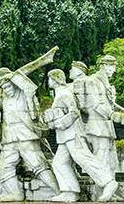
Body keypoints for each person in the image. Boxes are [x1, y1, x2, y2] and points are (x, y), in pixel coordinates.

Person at [44, 69, 117, 202]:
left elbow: (75, 112)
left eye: (50, 78)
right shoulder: (59, 93)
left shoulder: (65, 93)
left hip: (73, 134)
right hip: (64, 137)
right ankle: (70, 191)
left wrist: (60, 123)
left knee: (83, 158)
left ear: (55, 80)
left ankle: (108, 182)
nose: (48, 81)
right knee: (59, 163)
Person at [0, 67, 59, 202]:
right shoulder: (5, 99)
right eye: (4, 88)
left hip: (25, 137)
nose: (6, 90)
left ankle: (57, 191)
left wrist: (29, 98)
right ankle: (15, 194)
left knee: (38, 165)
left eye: (8, 87)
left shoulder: (25, 95)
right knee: (2, 168)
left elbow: (34, 114)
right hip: (9, 139)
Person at [84, 55, 121, 172]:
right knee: (101, 159)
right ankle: (102, 188)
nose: (114, 70)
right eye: (112, 67)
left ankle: (109, 186)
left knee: (111, 162)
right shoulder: (92, 81)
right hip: (97, 127)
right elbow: (95, 104)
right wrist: (113, 115)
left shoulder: (105, 82)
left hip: (106, 126)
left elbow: (111, 104)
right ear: (104, 66)